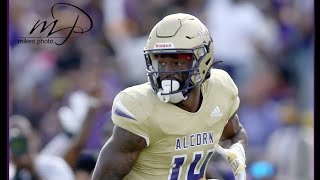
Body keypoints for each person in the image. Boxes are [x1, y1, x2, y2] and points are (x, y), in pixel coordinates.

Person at [92, 13, 248, 180]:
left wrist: (236, 152)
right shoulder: (141, 108)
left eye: (177, 62)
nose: (167, 71)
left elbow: (234, 134)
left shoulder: (220, 88)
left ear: (203, 59)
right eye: (161, 61)